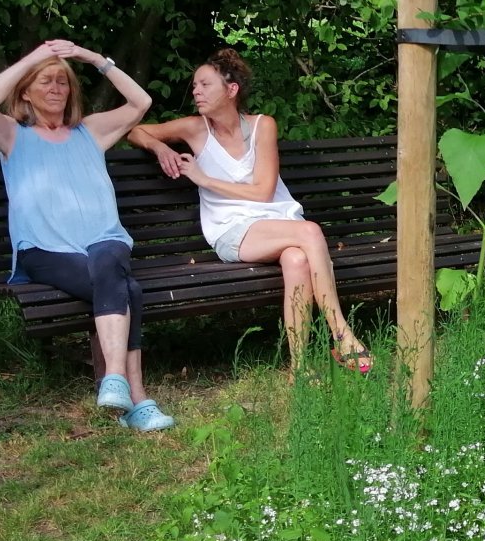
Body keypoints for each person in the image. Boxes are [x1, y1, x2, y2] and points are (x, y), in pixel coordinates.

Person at [0, 40, 176, 432]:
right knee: (126, 288)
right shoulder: (13, 135)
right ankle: (136, 396)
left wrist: (94, 59)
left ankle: (114, 381)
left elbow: (140, 103)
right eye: (44, 81)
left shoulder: (90, 131)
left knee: (108, 261)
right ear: (26, 91)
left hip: (104, 239)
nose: (55, 88)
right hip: (44, 251)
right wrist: (34, 56)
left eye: (62, 82)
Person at [128, 49, 373, 376]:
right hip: (233, 232)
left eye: (204, 84)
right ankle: (342, 334)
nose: (196, 91)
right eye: (195, 85)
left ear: (231, 90)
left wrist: (204, 179)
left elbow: (262, 191)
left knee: (297, 259)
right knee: (311, 232)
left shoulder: (262, 126)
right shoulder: (194, 129)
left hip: (280, 223)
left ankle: (300, 369)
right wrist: (161, 148)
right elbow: (135, 130)